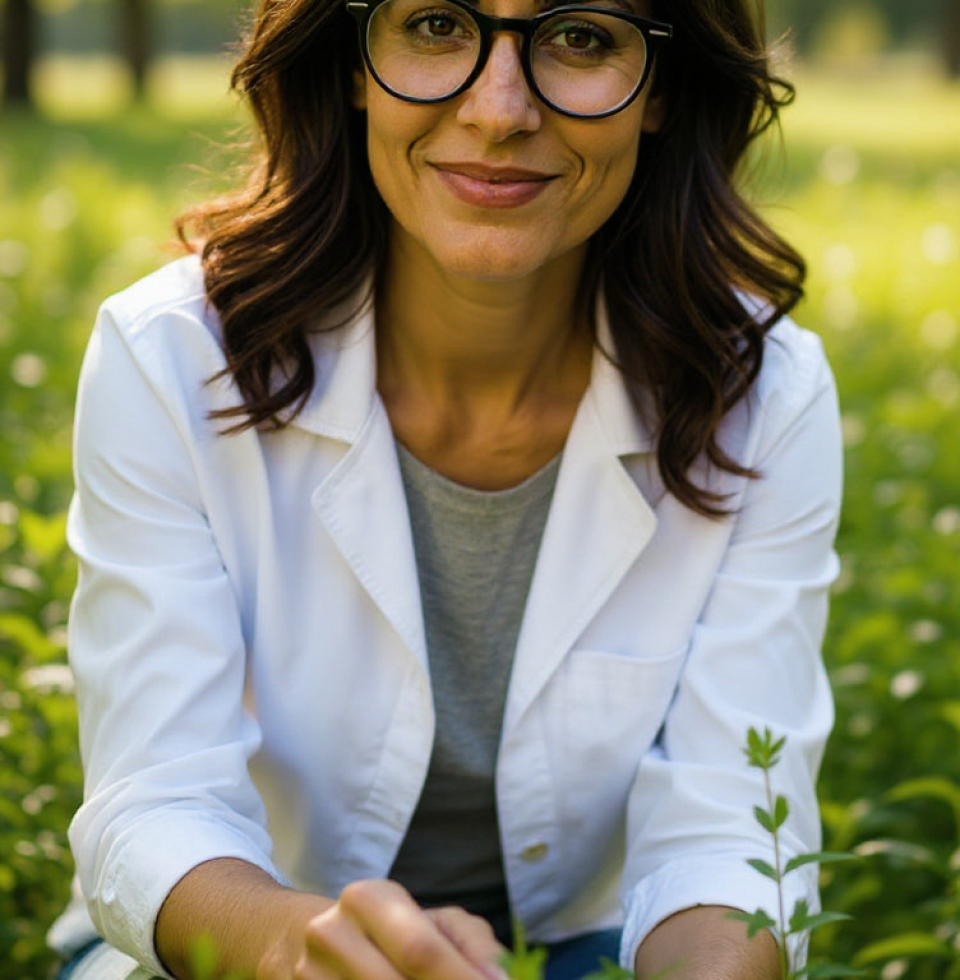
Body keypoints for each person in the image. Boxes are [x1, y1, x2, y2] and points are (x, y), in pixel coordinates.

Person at [49, 0, 842, 976]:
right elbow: (157, 805)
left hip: (594, 943)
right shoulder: (171, 358)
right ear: (352, 61)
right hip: (239, 939)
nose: (499, 110)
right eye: (434, 24)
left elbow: (731, 836)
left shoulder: (766, 394)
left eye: (583, 36)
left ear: (662, 92)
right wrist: (310, 952)